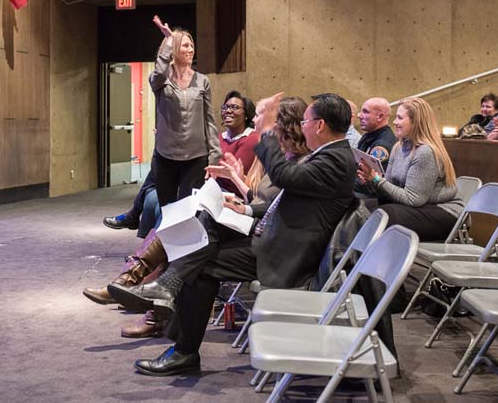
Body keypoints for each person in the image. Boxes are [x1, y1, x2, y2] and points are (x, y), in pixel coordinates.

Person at [125, 93, 357, 376]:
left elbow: (285, 179)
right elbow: (290, 200)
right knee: (208, 221)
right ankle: (169, 296)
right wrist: (246, 210)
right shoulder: (332, 155)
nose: (303, 125)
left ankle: (180, 340)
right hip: (277, 240)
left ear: (319, 125)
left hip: (286, 256)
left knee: (201, 266)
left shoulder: (334, 159)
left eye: (306, 121)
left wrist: (268, 134)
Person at [108, 97, 310, 338]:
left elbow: (270, 202)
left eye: (259, 115)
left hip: (269, 242)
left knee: (194, 232)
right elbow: (263, 200)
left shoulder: (286, 159)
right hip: (256, 223)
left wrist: (238, 188)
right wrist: (238, 190)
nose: (257, 120)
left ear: (279, 122)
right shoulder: (281, 156)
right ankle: (147, 291)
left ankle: (145, 290)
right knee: (187, 219)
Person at [357, 98, 463, 242]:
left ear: (416, 122)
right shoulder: (397, 147)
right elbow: (388, 189)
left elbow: (413, 199)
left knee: (386, 214)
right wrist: (370, 180)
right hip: (419, 207)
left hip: (443, 212)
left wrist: (376, 179)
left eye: (400, 118)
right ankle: (350, 258)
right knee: (358, 206)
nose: (394, 122)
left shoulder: (425, 152)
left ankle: (370, 260)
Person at [149, 15, 221, 207]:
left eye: (191, 45)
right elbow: (158, 73)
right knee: (168, 209)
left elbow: (210, 121)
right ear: (174, 50)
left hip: (196, 158)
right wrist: (169, 39)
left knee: (188, 210)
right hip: (165, 156)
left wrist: (215, 156)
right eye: (185, 46)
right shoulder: (161, 80)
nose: (190, 49)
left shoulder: (202, 80)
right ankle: (164, 238)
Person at [217, 90, 259, 195]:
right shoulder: (219, 138)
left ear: (246, 115)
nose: (228, 111)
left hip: (239, 197)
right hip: (217, 191)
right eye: (225, 107)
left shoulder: (252, 139)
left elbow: (231, 179)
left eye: (234, 107)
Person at [357, 97, 396, 170]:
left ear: (380, 117)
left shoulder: (383, 145)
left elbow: (370, 177)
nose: (359, 116)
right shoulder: (368, 135)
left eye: (365, 112)